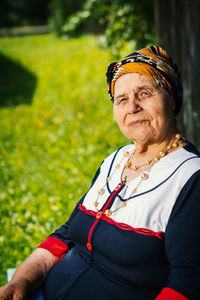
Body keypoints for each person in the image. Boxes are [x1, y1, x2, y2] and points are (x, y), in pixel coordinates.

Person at [0, 45, 200, 300]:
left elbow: (186, 285)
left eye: (145, 93)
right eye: (122, 99)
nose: (132, 107)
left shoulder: (190, 177)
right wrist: (20, 282)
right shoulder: (117, 160)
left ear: (171, 97)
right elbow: (65, 235)